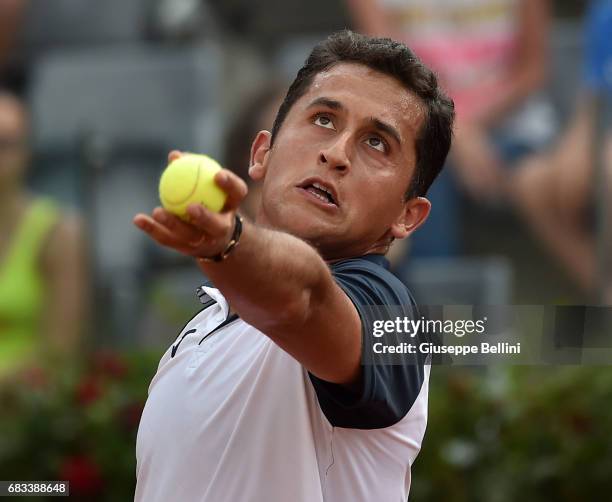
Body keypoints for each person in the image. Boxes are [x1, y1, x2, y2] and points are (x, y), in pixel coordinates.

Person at [133, 30, 454, 501]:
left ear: (407, 217)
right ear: (262, 152)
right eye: (324, 119)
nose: (337, 153)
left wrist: (230, 244)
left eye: (377, 144)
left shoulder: (395, 320)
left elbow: (302, 300)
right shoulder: (199, 331)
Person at [347, 0, 552, 259]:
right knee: (424, 168)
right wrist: (451, 126)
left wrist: (459, 125)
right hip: (420, 125)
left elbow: (531, 71)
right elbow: (391, 71)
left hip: (511, 128)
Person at [511, 0, 612, 298]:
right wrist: (574, 150)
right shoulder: (604, 11)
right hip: (601, 137)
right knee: (530, 180)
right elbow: (593, 95)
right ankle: (605, 296)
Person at [0, 91, 89, 378]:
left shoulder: (59, 234)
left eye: (4, 144)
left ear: (27, 152)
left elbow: (59, 354)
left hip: (24, 417)